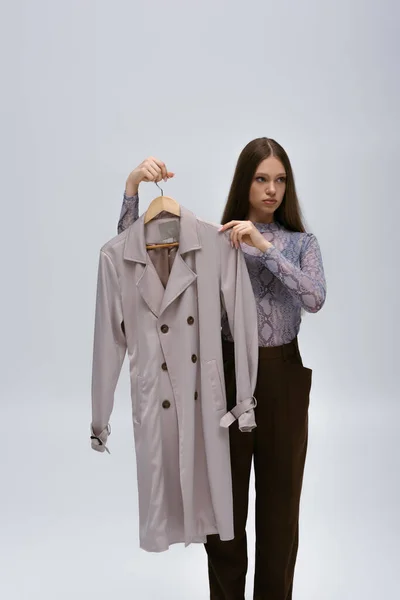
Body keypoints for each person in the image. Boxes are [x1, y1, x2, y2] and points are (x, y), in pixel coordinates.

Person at [116, 137, 327, 600]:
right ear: (244, 182)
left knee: (280, 511)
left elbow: (315, 299)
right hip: (226, 377)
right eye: (261, 178)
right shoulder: (214, 239)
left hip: (284, 378)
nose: (271, 189)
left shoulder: (300, 243)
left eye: (280, 180)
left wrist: (264, 247)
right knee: (223, 510)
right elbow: (134, 255)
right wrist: (132, 187)